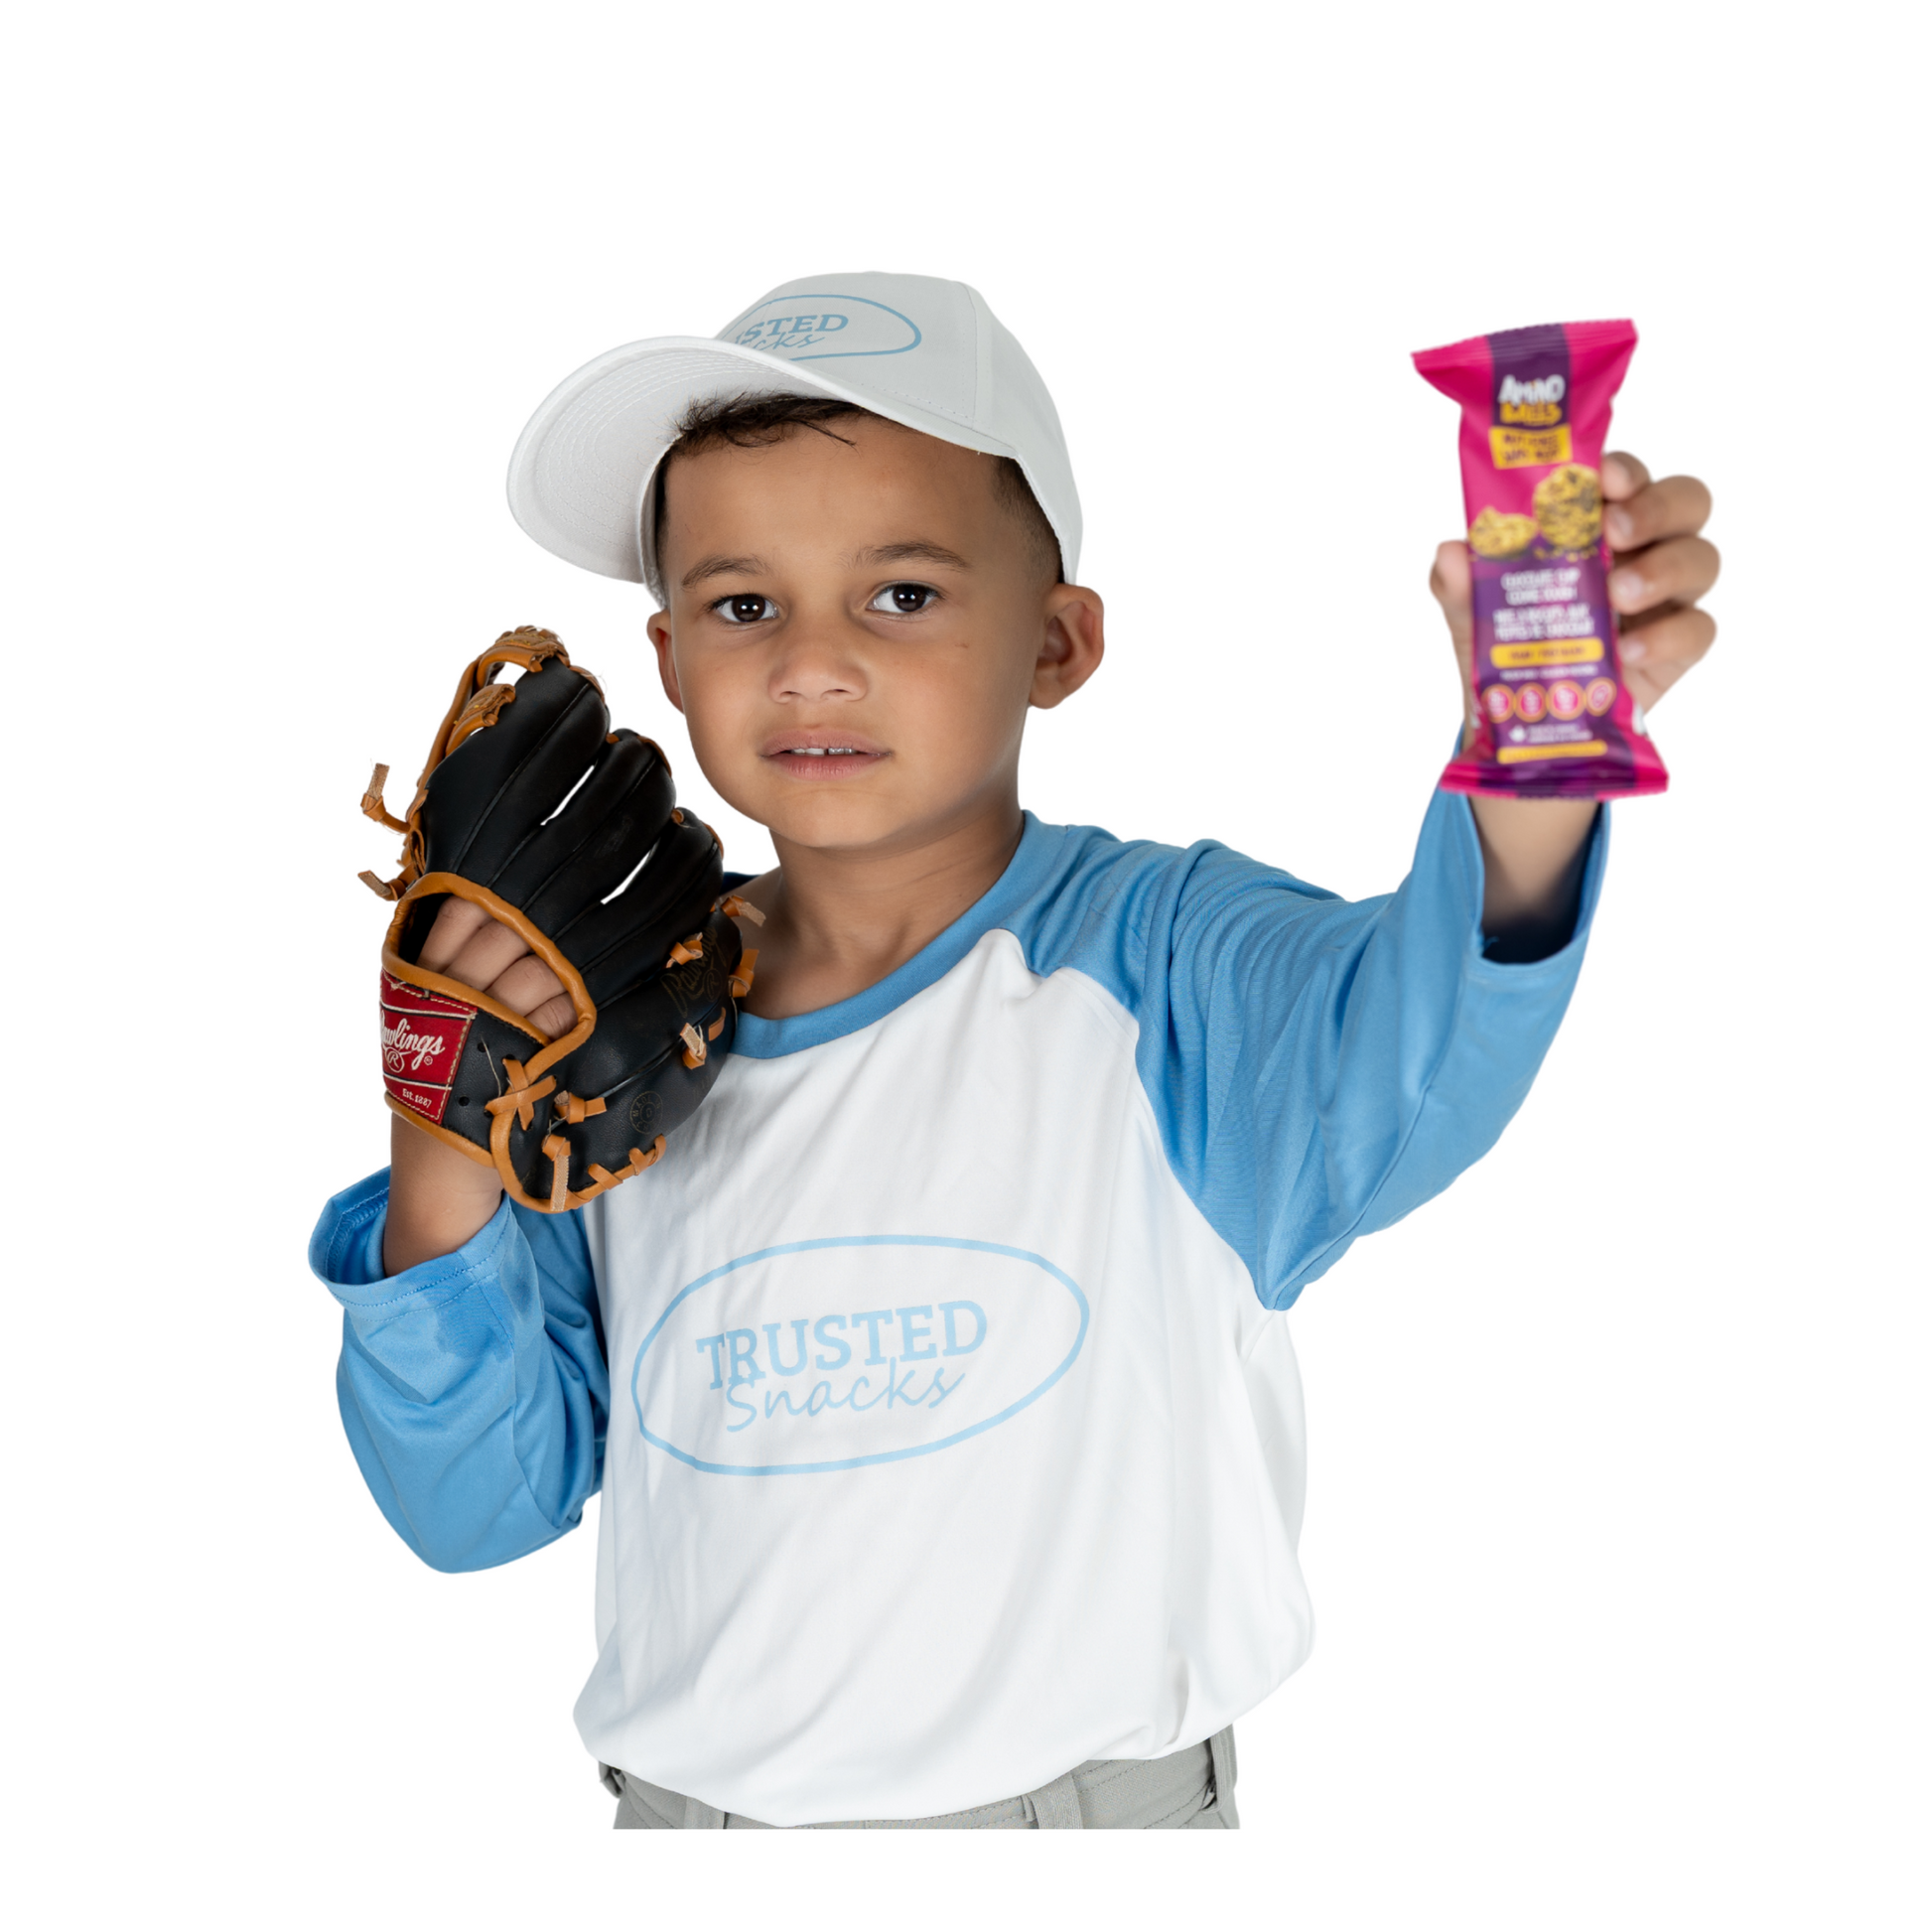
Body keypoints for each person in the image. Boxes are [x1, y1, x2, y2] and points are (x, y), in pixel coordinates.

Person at [310, 273, 1720, 1829]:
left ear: (1056, 642)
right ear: (663, 657)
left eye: (901, 593)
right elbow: (473, 1508)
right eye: (740, 602)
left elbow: (1423, 1044)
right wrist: (443, 1116)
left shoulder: (1162, 963)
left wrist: (1537, 736)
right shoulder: (607, 1034)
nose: (810, 663)